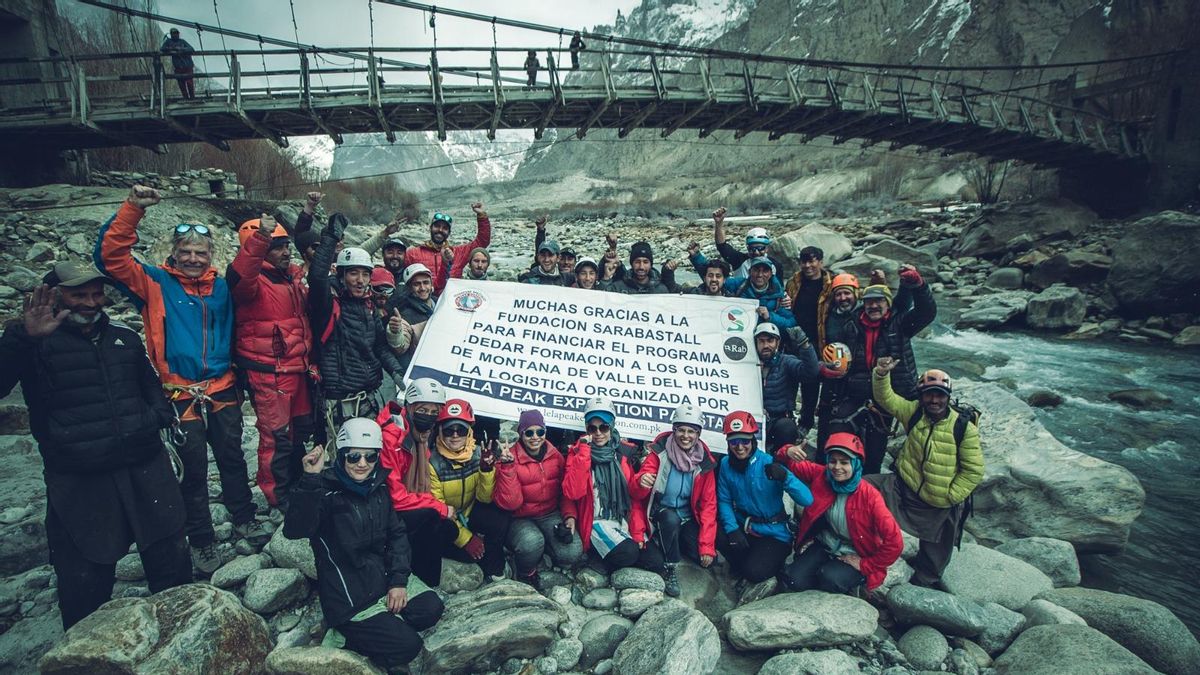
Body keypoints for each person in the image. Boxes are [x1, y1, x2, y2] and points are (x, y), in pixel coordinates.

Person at [0, 266, 192, 629]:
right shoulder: (33, 342)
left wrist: (156, 417)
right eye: (78, 295)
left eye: (96, 294)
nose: (90, 303)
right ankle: (84, 644)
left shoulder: (123, 337)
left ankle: (184, 628)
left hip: (144, 463)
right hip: (80, 475)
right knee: (84, 573)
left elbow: (149, 385)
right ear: (54, 297)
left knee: (170, 553)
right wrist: (23, 337)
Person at [96, 185, 266, 575]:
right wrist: (132, 209)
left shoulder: (221, 287)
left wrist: (260, 238)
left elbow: (249, 275)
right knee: (192, 468)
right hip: (179, 393)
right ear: (173, 253)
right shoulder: (154, 283)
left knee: (232, 458)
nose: (193, 259)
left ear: (211, 256)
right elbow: (109, 257)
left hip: (222, 388)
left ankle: (243, 516)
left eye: (200, 253)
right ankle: (202, 538)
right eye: (186, 252)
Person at [285, 419, 444, 671]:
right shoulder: (324, 492)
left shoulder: (378, 487)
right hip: (349, 595)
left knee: (432, 608)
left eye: (370, 457)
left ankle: (386, 625)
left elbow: (397, 535)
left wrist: (398, 582)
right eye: (354, 456)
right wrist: (310, 479)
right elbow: (296, 530)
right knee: (409, 645)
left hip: (381, 577)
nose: (362, 463)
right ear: (341, 455)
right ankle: (345, 635)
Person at [867, 358, 983, 587]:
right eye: (929, 394)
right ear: (921, 396)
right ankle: (867, 544)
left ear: (948, 397)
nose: (934, 400)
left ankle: (922, 587)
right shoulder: (915, 412)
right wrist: (881, 374)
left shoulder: (963, 428)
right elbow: (886, 399)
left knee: (935, 555)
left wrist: (950, 496)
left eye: (940, 395)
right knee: (865, 487)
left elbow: (974, 470)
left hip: (939, 501)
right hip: (903, 487)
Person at [228, 215, 314, 511]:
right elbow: (241, 274)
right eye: (277, 247)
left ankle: (297, 480)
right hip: (268, 371)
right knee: (276, 437)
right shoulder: (249, 283)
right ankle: (278, 496)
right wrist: (260, 238)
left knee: (299, 430)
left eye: (286, 246)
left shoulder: (290, 277)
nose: (286, 252)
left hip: (296, 368)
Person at [817, 266, 936, 472]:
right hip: (858, 391)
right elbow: (842, 360)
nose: (873, 306)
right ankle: (839, 474)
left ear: (888, 304)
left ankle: (874, 478)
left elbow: (927, 312)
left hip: (893, 392)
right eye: (869, 302)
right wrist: (827, 370)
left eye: (879, 301)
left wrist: (919, 285)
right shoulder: (852, 325)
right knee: (838, 429)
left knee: (876, 449)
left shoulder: (900, 323)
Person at [309, 215, 409, 444]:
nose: (360, 280)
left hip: (369, 398)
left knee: (371, 453)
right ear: (341, 275)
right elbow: (316, 276)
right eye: (353, 273)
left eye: (365, 274)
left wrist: (396, 372)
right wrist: (331, 236)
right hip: (339, 402)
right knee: (342, 456)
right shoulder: (327, 305)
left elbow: (379, 346)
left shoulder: (368, 306)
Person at [777, 433, 903, 595]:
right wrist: (788, 451)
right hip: (826, 543)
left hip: (856, 551)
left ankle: (854, 587)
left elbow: (895, 542)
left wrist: (866, 564)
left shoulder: (870, 497)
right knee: (794, 579)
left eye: (844, 462)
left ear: (856, 464)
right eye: (832, 461)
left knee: (830, 579)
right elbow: (789, 463)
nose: (837, 467)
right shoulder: (822, 475)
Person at [376, 379, 460, 587]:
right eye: (423, 410)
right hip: (387, 509)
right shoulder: (391, 439)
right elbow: (396, 497)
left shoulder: (420, 435)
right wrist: (440, 507)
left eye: (434, 412)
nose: (428, 416)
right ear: (410, 406)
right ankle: (426, 582)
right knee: (432, 519)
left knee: (448, 529)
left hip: (407, 503)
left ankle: (418, 564)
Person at [629, 405, 718, 597]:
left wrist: (706, 546)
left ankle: (671, 543)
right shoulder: (659, 454)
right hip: (661, 513)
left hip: (687, 517)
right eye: (681, 430)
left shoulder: (704, 462)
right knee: (670, 520)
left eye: (691, 431)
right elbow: (635, 493)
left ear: (698, 434)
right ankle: (670, 567)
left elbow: (709, 505)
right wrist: (641, 481)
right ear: (674, 430)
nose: (685, 436)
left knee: (705, 558)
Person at [715, 411, 813, 583]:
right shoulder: (725, 464)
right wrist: (732, 529)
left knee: (754, 572)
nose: (740, 447)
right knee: (716, 534)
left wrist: (786, 478)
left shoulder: (769, 463)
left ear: (753, 440)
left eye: (745, 441)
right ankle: (740, 564)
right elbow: (724, 499)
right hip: (744, 525)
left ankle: (758, 563)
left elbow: (807, 500)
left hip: (774, 532)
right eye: (734, 441)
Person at [562, 398, 657, 571]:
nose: (598, 433)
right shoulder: (576, 453)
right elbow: (572, 493)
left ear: (611, 426)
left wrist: (637, 532)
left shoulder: (623, 453)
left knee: (655, 561)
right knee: (629, 553)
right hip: (595, 521)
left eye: (604, 427)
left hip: (621, 519)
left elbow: (633, 496)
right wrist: (584, 453)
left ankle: (606, 557)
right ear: (586, 429)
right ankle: (599, 557)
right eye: (592, 428)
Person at [493, 409, 584, 587]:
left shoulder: (555, 456)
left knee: (572, 553)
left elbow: (564, 492)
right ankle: (525, 572)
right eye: (529, 433)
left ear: (545, 432)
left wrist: (569, 516)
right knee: (531, 542)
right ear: (521, 434)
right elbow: (511, 503)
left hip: (550, 513)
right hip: (519, 517)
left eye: (540, 432)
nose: (535, 437)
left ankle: (545, 549)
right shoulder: (508, 458)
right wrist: (508, 467)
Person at [428, 399, 511, 580]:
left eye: (461, 430)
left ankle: (494, 567)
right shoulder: (432, 463)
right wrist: (466, 539)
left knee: (499, 516)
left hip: (468, 511)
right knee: (448, 536)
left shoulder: (478, 453)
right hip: (446, 520)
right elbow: (438, 507)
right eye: (449, 430)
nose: (455, 435)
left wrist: (486, 471)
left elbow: (485, 498)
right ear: (439, 431)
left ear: (469, 432)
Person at [784, 246, 834, 431]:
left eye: (812, 261)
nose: (807, 266)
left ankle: (806, 421)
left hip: (816, 340)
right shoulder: (793, 282)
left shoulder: (830, 284)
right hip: (792, 339)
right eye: (804, 262)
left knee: (810, 383)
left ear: (820, 262)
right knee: (788, 380)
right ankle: (787, 418)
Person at [402, 204, 491, 296]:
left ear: (449, 233)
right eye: (437, 226)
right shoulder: (413, 253)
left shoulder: (458, 253)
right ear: (430, 228)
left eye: (445, 228)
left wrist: (482, 216)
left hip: (451, 300)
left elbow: (482, 241)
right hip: (422, 300)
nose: (440, 230)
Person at [755, 322, 820, 448]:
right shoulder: (748, 364)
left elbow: (811, 373)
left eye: (770, 341)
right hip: (753, 420)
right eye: (761, 341)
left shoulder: (786, 361)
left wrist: (804, 344)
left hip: (779, 420)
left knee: (786, 427)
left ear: (777, 342)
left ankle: (782, 457)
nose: (766, 345)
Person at [689, 207, 783, 278]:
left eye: (760, 248)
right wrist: (719, 224)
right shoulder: (739, 260)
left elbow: (779, 290)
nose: (756, 252)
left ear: (767, 248)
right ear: (747, 248)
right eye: (752, 249)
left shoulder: (776, 266)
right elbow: (722, 246)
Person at [724, 257, 796, 328]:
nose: (760, 275)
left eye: (765, 271)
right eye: (756, 270)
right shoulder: (739, 285)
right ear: (749, 272)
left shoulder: (778, 295)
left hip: (765, 334)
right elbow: (721, 282)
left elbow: (791, 322)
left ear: (771, 274)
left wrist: (770, 317)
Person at [602, 242, 675, 294]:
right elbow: (600, 299)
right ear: (631, 264)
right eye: (637, 262)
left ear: (651, 264)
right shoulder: (617, 288)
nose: (641, 267)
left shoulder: (661, 291)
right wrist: (606, 279)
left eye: (645, 262)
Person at [160, 28, 196, 99]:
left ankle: (192, 98)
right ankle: (186, 98)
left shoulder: (182, 41)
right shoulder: (168, 42)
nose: (176, 35)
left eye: (177, 33)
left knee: (189, 83)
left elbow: (191, 49)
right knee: (181, 84)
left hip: (187, 66)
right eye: (174, 33)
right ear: (171, 34)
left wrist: (181, 49)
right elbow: (162, 49)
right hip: (178, 67)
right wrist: (171, 49)